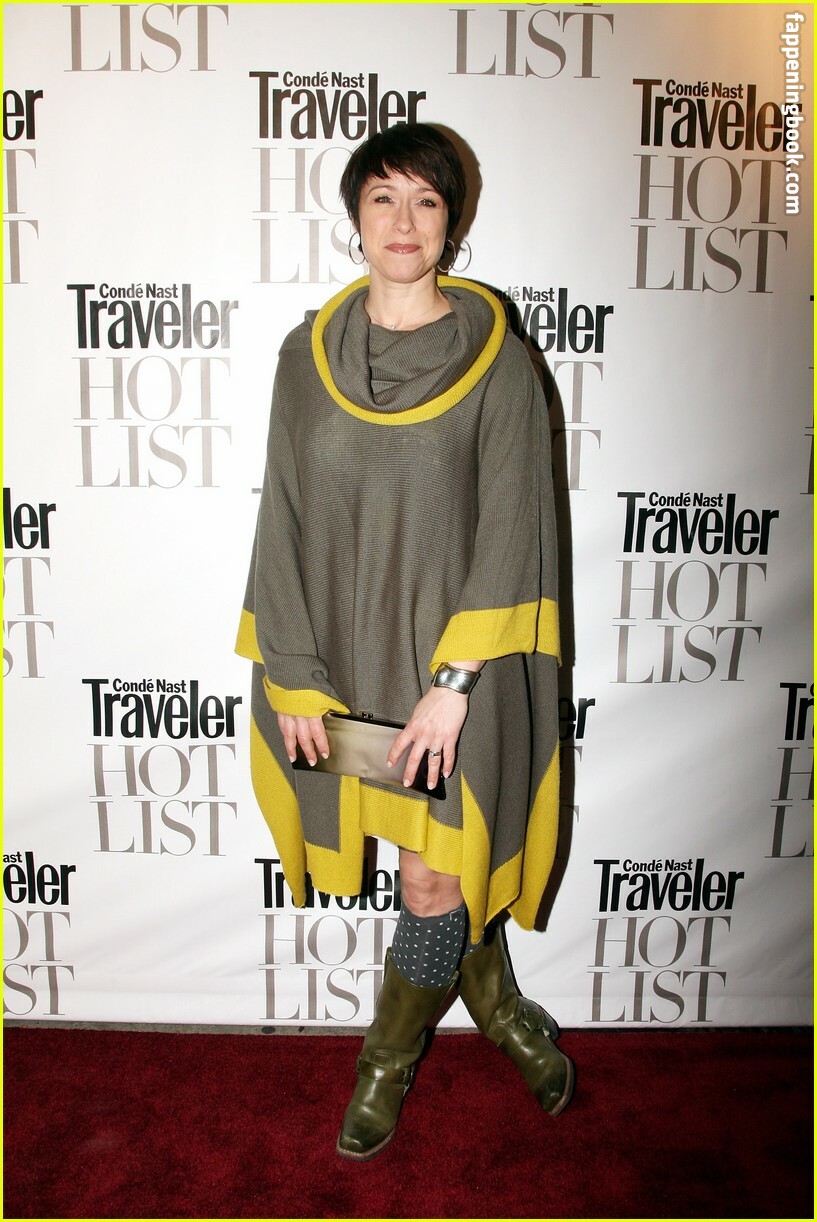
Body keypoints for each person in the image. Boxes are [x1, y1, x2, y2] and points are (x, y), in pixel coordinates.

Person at [236, 122, 573, 1160]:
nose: (403, 220)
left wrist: (453, 682)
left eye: (426, 200)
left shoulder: (500, 364)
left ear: (451, 224)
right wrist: (292, 674)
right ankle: (501, 1006)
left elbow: (513, 528)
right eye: (382, 196)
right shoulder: (305, 358)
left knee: (431, 878)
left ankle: (383, 1062)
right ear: (354, 215)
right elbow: (282, 517)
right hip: (337, 664)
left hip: (454, 679)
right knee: (439, 873)